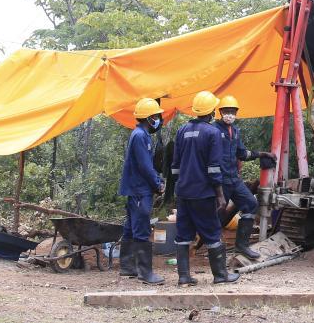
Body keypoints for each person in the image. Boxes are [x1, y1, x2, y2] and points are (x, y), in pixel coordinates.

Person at [171, 91, 240, 285]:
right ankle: (221, 275)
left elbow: (175, 166)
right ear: (211, 112)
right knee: (212, 232)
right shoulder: (212, 133)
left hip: (183, 193)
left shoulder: (182, 130)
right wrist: (220, 195)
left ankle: (183, 277)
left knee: (183, 234)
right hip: (203, 193)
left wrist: (180, 185)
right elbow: (214, 167)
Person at [213, 95, 277, 260]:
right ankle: (215, 249)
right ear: (220, 112)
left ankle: (241, 246)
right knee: (217, 213)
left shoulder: (235, 131)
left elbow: (242, 153)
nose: (229, 115)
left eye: (232, 111)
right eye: (226, 111)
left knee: (250, 204)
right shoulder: (214, 130)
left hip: (234, 179)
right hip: (220, 180)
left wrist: (262, 153)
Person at [118, 98, 167, 285]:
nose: (158, 119)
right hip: (139, 189)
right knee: (141, 228)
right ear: (148, 118)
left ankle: (127, 266)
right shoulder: (140, 136)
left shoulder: (141, 134)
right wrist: (157, 183)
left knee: (131, 227)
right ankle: (145, 273)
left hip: (136, 188)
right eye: (156, 116)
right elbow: (145, 166)